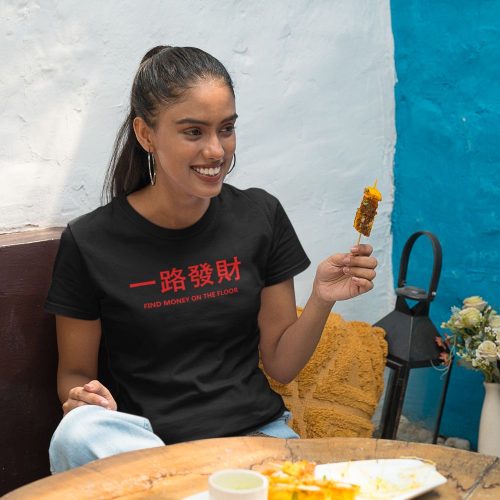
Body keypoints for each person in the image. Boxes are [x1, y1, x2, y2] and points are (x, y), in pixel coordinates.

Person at [45, 46, 377, 473]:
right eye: (194, 132)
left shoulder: (261, 216)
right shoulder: (90, 241)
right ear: (146, 134)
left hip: (253, 441)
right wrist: (86, 401)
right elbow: (73, 375)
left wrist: (321, 298)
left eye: (226, 129)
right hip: (149, 451)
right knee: (77, 434)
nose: (217, 150)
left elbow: (281, 365)